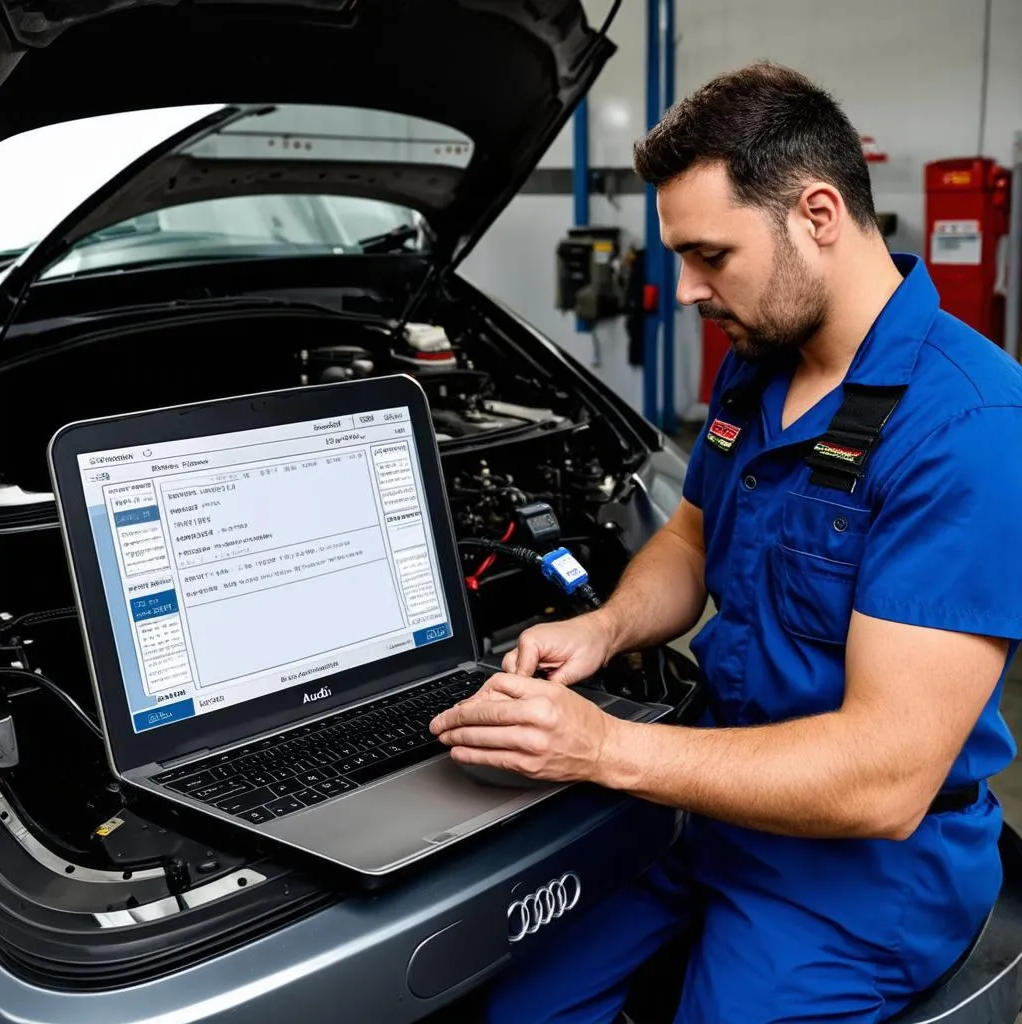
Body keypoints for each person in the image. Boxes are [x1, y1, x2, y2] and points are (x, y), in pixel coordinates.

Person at [429, 61, 1022, 1023]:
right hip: (713, 800)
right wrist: (609, 628)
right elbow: (693, 535)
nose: (690, 288)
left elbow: (886, 779)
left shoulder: (970, 426)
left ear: (818, 214)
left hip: (865, 874)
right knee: (516, 1007)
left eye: (711, 254)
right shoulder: (761, 367)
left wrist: (604, 749)